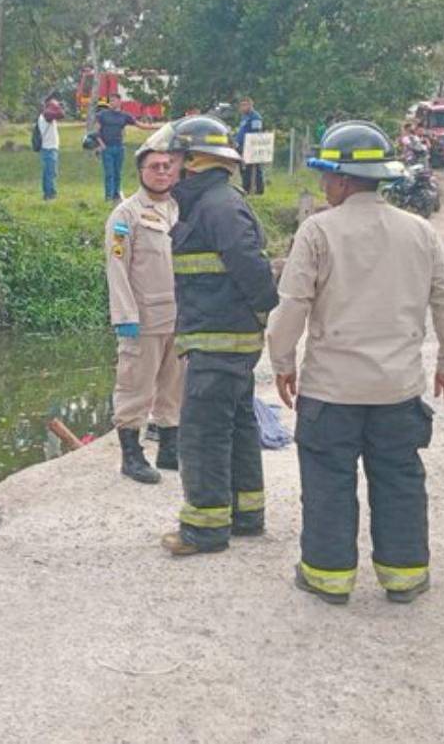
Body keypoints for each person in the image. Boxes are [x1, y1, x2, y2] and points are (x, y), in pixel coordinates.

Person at [267, 121, 444, 604]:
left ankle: (327, 577)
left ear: (339, 179)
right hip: (397, 391)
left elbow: (292, 303)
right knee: (399, 479)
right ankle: (404, 577)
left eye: (326, 178)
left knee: (328, 482)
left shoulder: (317, 230)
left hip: (330, 392)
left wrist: (282, 361)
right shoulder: (419, 231)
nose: (324, 186)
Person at [154, 115, 280, 557]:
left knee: (204, 432)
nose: (168, 167)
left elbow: (251, 269)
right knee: (237, 425)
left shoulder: (217, 206)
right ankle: (246, 515)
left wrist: (264, 310)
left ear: (192, 161)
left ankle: (204, 529)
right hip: (223, 337)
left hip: (218, 339)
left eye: (174, 158)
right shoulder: (211, 202)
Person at [104, 138, 185, 484]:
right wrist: (125, 317)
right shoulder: (126, 215)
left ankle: (169, 448)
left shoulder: (181, 209)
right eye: (155, 166)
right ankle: (131, 455)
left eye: (168, 166)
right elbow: (116, 267)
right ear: (140, 172)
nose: (163, 172)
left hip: (179, 317)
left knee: (174, 386)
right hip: (144, 318)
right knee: (135, 386)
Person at [94, 104, 154, 201]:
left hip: (119, 147)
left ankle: (116, 194)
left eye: (114, 100)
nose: (112, 103)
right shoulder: (103, 115)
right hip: (107, 148)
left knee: (117, 172)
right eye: (111, 100)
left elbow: (139, 125)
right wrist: (101, 145)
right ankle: (108, 195)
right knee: (109, 173)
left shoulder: (124, 116)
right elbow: (96, 131)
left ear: (119, 102)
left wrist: (157, 127)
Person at [235, 97, 265, 195]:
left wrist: (250, 146)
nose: (243, 107)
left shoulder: (255, 117)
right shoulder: (244, 117)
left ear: (250, 105)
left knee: (254, 169)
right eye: (241, 105)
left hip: (250, 146)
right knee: (243, 169)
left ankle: (258, 190)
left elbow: (256, 132)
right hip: (241, 146)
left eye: (245, 105)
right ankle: (245, 188)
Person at [37, 98, 65, 201]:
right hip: (49, 148)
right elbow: (61, 114)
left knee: (48, 172)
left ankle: (47, 193)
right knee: (51, 172)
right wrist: (59, 107)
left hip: (49, 148)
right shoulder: (46, 115)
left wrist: (58, 105)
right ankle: (50, 194)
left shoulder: (46, 116)